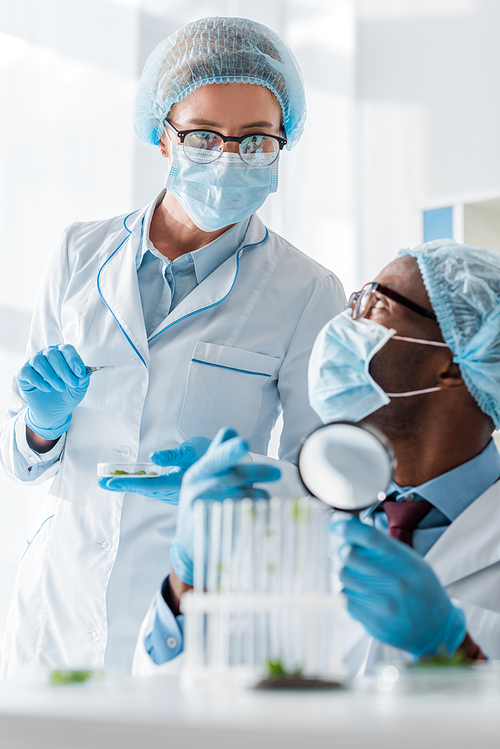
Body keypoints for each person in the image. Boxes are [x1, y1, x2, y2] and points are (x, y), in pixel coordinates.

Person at [0, 17, 345, 677]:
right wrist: (41, 428)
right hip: (57, 607)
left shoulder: (307, 291)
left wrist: (237, 484)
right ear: (163, 134)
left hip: (196, 610)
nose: (229, 156)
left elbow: (325, 483)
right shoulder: (79, 251)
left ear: (283, 143)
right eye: (204, 135)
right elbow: (19, 462)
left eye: (255, 140)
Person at [133, 238, 500, 674]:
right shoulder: (290, 519)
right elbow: (174, 700)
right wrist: (186, 580)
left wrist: (454, 648)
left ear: (455, 363)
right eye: (354, 302)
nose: (346, 321)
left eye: (375, 305)